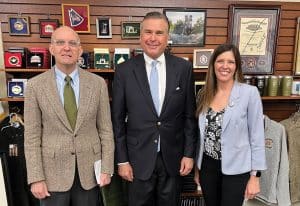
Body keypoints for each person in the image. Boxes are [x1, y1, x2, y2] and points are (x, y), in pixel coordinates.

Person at [112, 11, 197, 206]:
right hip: (137, 160)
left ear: (168, 37)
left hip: (173, 158)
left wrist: (189, 154)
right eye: (148, 32)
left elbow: (188, 116)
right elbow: (117, 120)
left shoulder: (183, 69)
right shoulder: (124, 71)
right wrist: (122, 160)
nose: (153, 38)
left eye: (159, 33)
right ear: (140, 36)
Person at [24, 26, 115, 206]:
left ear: (80, 50)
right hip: (52, 176)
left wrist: (106, 168)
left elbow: (106, 130)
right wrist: (36, 178)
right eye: (60, 43)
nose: (67, 48)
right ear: (51, 48)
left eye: (72, 43)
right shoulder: (35, 86)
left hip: (89, 174)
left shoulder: (98, 84)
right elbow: (32, 137)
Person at [194, 43, 267, 206]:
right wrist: (198, 168)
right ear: (213, 65)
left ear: (237, 66)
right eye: (220, 61)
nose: (225, 66)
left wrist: (255, 176)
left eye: (231, 62)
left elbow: (257, 137)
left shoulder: (250, 93)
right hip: (207, 168)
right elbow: (200, 135)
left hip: (237, 170)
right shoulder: (203, 94)